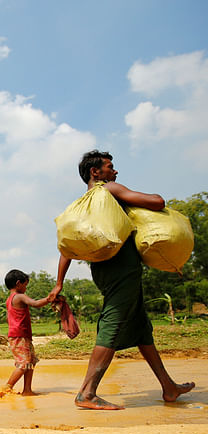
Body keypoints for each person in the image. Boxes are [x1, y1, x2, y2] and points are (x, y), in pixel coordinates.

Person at [48, 149, 194, 410]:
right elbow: (157, 203)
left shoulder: (84, 205)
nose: (114, 171)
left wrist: (59, 283)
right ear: (96, 173)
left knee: (140, 328)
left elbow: (66, 248)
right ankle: (87, 393)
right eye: (109, 166)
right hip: (122, 269)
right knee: (113, 322)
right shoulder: (109, 191)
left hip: (103, 270)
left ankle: (168, 387)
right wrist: (155, 197)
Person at [2, 269, 50, 396]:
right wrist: (49, 298)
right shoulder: (19, 296)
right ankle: (6, 388)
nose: (25, 289)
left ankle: (27, 390)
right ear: (18, 283)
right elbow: (35, 303)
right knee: (24, 364)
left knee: (30, 362)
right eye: (25, 285)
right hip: (20, 335)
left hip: (20, 335)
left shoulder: (10, 299)